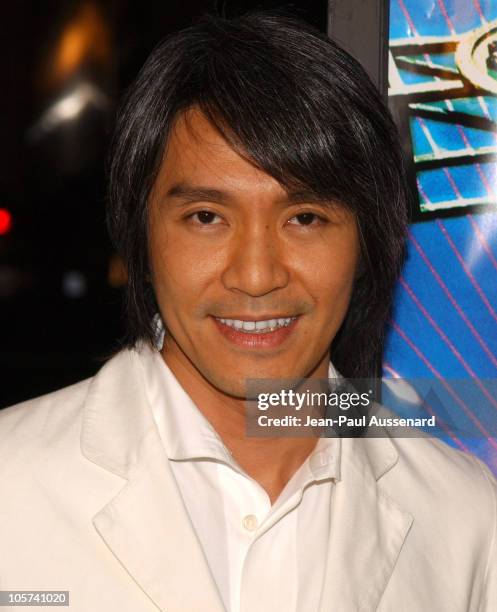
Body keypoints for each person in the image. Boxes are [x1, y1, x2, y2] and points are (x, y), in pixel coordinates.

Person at [0, 12, 496, 612]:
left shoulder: (465, 520)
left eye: (305, 219)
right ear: (140, 235)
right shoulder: (12, 485)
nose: (257, 276)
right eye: (207, 217)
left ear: (367, 241)